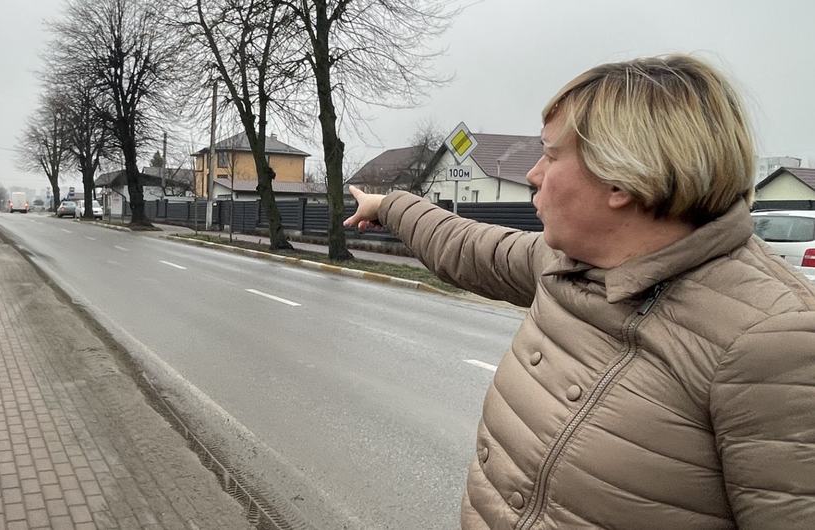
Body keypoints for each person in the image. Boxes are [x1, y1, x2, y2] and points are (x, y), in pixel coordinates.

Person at [345, 55, 815, 529]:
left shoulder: (772, 339)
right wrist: (389, 205)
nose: (532, 174)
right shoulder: (568, 263)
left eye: (549, 155)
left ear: (621, 178)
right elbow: (466, 246)